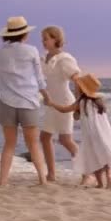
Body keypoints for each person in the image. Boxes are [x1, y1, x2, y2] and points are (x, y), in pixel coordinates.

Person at [0, 16, 50, 186]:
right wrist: (47, 96)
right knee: (33, 144)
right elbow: (39, 77)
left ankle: (3, 181)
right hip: (28, 102)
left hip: (7, 103)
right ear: (24, 34)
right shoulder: (32, 50)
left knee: (9, 144)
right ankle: (42, 180)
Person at [45, 73, 111, 189]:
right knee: (105, 155)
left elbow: (64, 110)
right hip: (105, 133)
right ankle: (109, 180)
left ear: (81, 88)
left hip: (91, 135)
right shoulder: (99, 101)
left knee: (94, 157)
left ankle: (100, 183)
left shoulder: (81, 102)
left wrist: (52, 104)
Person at [40, 26, 81, 182]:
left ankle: (88, 173)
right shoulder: (44, 58)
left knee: (65, 140)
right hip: (51, 103)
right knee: (44, 137)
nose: (43, 42)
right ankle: (51, 174)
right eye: (42, 39)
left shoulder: (65, 59)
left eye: (46, 38)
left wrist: (78, 104)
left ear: (56, 39)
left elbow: (77, 79)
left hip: (64, 102)